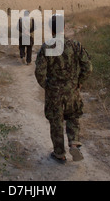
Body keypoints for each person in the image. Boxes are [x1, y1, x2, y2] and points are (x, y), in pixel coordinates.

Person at [35, 14, 92, 164]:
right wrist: (80, 82)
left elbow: (39, 72)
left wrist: (46, 86)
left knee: (56, 121)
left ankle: (59, 153)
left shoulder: (46, 47)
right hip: (72, 90)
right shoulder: (75, 45)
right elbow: (88, 67)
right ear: (64, 28)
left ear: (50, 29)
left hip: (54, 92)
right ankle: (74, 143)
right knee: (73, 117)